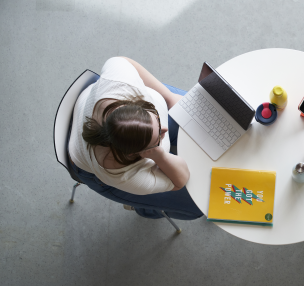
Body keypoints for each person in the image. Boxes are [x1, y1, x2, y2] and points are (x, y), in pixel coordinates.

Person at [67, 56, 203, 220]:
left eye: (157, 120)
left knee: (204, 111)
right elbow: (179, 181)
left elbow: (121, 60)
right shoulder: (124, 176)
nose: (165, 129)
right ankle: (143, 207)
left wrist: (169, 97)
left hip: (105, 115)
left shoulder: (118, 85)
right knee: (197, 206)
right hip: (95, 174)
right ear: (138, 153)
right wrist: (160, 156)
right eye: (157, 139)